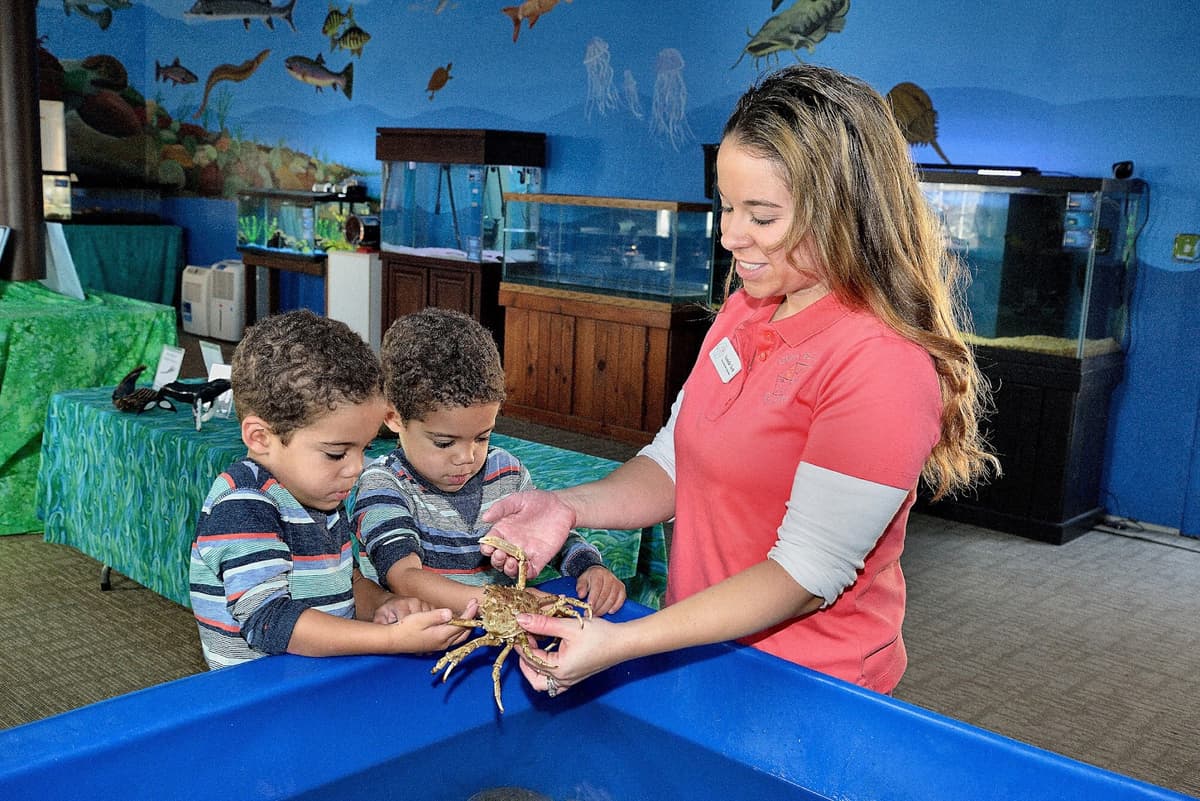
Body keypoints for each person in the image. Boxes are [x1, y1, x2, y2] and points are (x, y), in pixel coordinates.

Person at [479, 63, 999, 698]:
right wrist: (568, 506)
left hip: (809, 681)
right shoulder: (746, 305)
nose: (730, 236)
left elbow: (806, 574)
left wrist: (625, 643)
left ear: (845, 214)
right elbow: (674, 462)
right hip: (695, 647)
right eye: (727, 205)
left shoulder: (881, 363)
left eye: (762, 215)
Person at [189, 309, 476, 669]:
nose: (356, 468)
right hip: (261, 704)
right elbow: (272, 622)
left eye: (364, 448)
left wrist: (384, 605)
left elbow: (348, 580)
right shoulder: (243, 507)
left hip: (315, 685)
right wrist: (389, 639)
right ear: (260, 437)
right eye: (337, 452)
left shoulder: (320, 493)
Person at [353, 307, 626, 619]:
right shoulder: (384, 483)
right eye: (444, 442)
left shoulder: (507, 472)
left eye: (482, 437)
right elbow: (403, 579)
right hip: (423, 642)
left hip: (504, 629)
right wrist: (499, 601)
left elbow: (551, 533)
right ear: (393, 418)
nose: (466, 457)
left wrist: (589, 566)